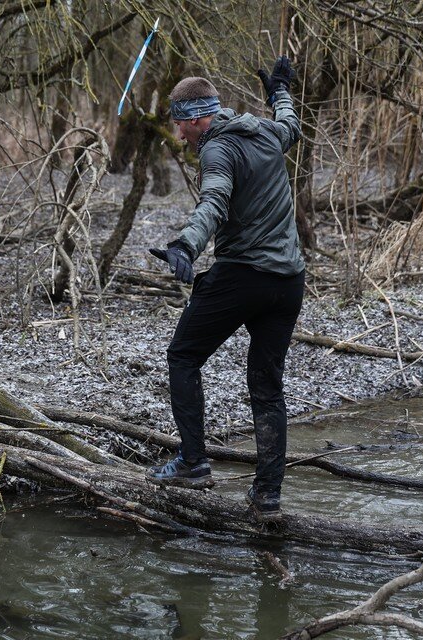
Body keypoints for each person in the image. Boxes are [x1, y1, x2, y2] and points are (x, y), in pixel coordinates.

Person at [146, 57, 304, 523]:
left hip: (245, 276)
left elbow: (213, 202)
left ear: (196, 118)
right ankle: (267, 499)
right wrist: (280, 92)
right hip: (289, 281)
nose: (179, 136)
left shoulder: (218, 150)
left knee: (183, 355)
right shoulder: (265, 133)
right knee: (267, 386)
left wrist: (185, 246)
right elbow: (290, 126)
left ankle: (193, 463)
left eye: (180, 125)